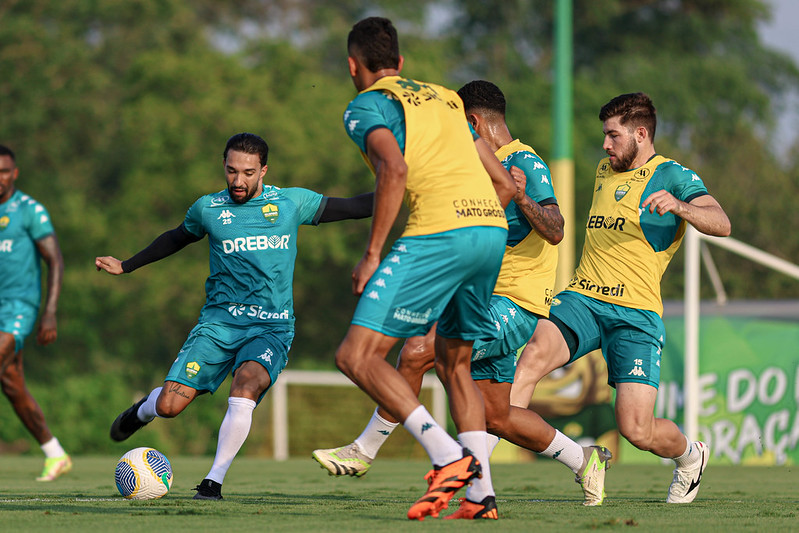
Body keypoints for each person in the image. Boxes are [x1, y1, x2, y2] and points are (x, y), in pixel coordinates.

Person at [314, 80, 612, 514]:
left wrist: (522, 192)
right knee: (497, 416)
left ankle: (365, 449)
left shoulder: (522, 159)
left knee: (417, 351)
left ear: (471, 121)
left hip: (514, 302)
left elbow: (556, 228)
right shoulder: (477, 165)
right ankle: (582, 459)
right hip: (481, 297)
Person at [95, 132, 372, 500]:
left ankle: (213, 482)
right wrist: (127, 265)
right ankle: (143, 411)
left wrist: (403, 187)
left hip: (270, 328)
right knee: (169, 406)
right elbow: (176, 238)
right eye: (231, 171)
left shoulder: (290, 203)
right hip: (218, 325)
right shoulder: (207, 209)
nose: (238, 181)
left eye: (247, 172)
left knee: (245, 386)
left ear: (263, 171)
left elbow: (354, 206)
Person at [332, 18, 519, 522]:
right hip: (490, 231)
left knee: (356, 355)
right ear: (401, 63)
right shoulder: (445, 97)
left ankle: (447, 458)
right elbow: (503, 184)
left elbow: (395, 170)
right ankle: (481, 498)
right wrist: (479, 234)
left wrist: (372, 255)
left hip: (440, 233)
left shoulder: (367, 104)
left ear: (355, 66)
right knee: (454, 362)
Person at [512, 92, 731, 504]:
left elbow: (721, 223)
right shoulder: (603, 169)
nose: (605, 145)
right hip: (583, 298)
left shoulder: (672, 175)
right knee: (530, 360)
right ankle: (479, 477)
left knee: (636, 430)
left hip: (635, 314)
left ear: (641, 134)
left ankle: (689, 456)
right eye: (605, 135)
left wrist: (681, 206)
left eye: (613, 135)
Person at [0, 144, 71, 481]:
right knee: (11, 384)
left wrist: (49, 313)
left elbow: (54, 260)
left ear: (14, 173)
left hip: (19, 306)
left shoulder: (29, 210)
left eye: (4, 171)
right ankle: (54, 453)